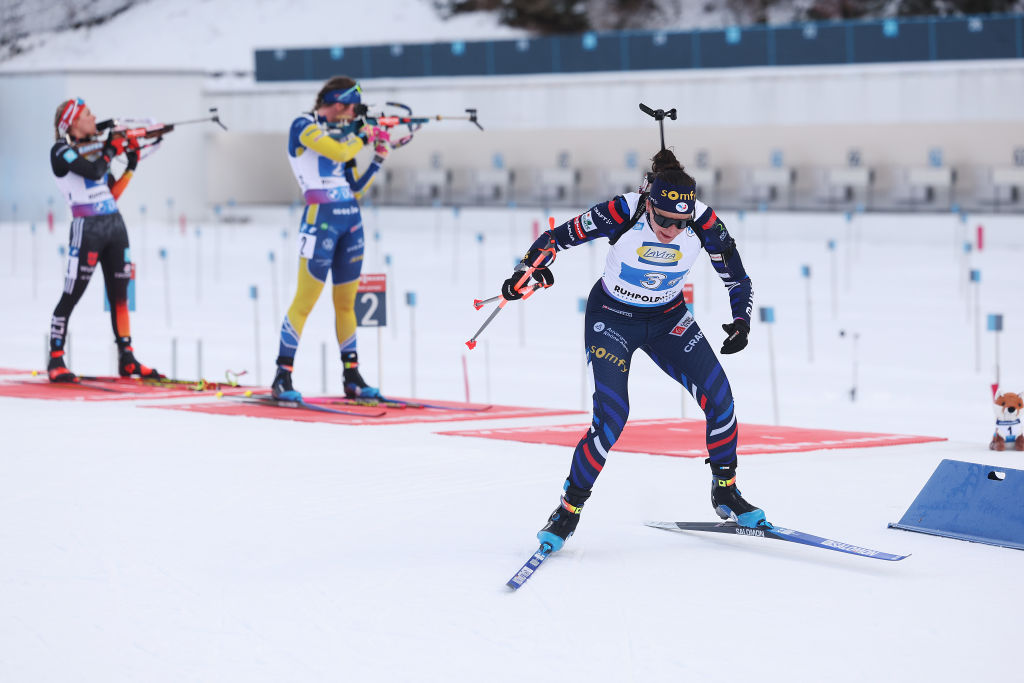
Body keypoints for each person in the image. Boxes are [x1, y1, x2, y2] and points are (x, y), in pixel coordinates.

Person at [500, 149, 764, 553]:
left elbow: (737, 277)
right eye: (663, 220)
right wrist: (527, 270)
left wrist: (741, 321)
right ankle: (568, 510)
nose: (672, 231)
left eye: (681, 222)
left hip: (667, 319)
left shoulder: (706, 223)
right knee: (612, 417)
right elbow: (557, 239)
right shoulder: (623, 210)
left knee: (722, 400)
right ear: (648, 203)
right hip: (612, 318)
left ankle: (725, 490)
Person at [271, 76, 394, 401]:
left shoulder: (346, 131)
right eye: (352, 109)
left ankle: (351, 375)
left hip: (351, 221)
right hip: (320, 220)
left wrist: (378, 158)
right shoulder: (304, 125)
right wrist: (365, 133)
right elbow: (338, 152)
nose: (353, 115)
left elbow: (354, 188)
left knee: (346, 303)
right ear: (339, 103)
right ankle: (282, 375)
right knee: (306, 300)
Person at [47, 98, 163, 382]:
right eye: (88, 114)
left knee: (119, 295)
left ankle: (127, 357)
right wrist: (112, 149)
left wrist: (131, 166)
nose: (94, 116)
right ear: (73, 123)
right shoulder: (61, 151)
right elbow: (94, 171)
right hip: (87, 228)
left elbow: (111, 192)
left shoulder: (96, 152)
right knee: (72, 293)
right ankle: (56, 358)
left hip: (114, 225)